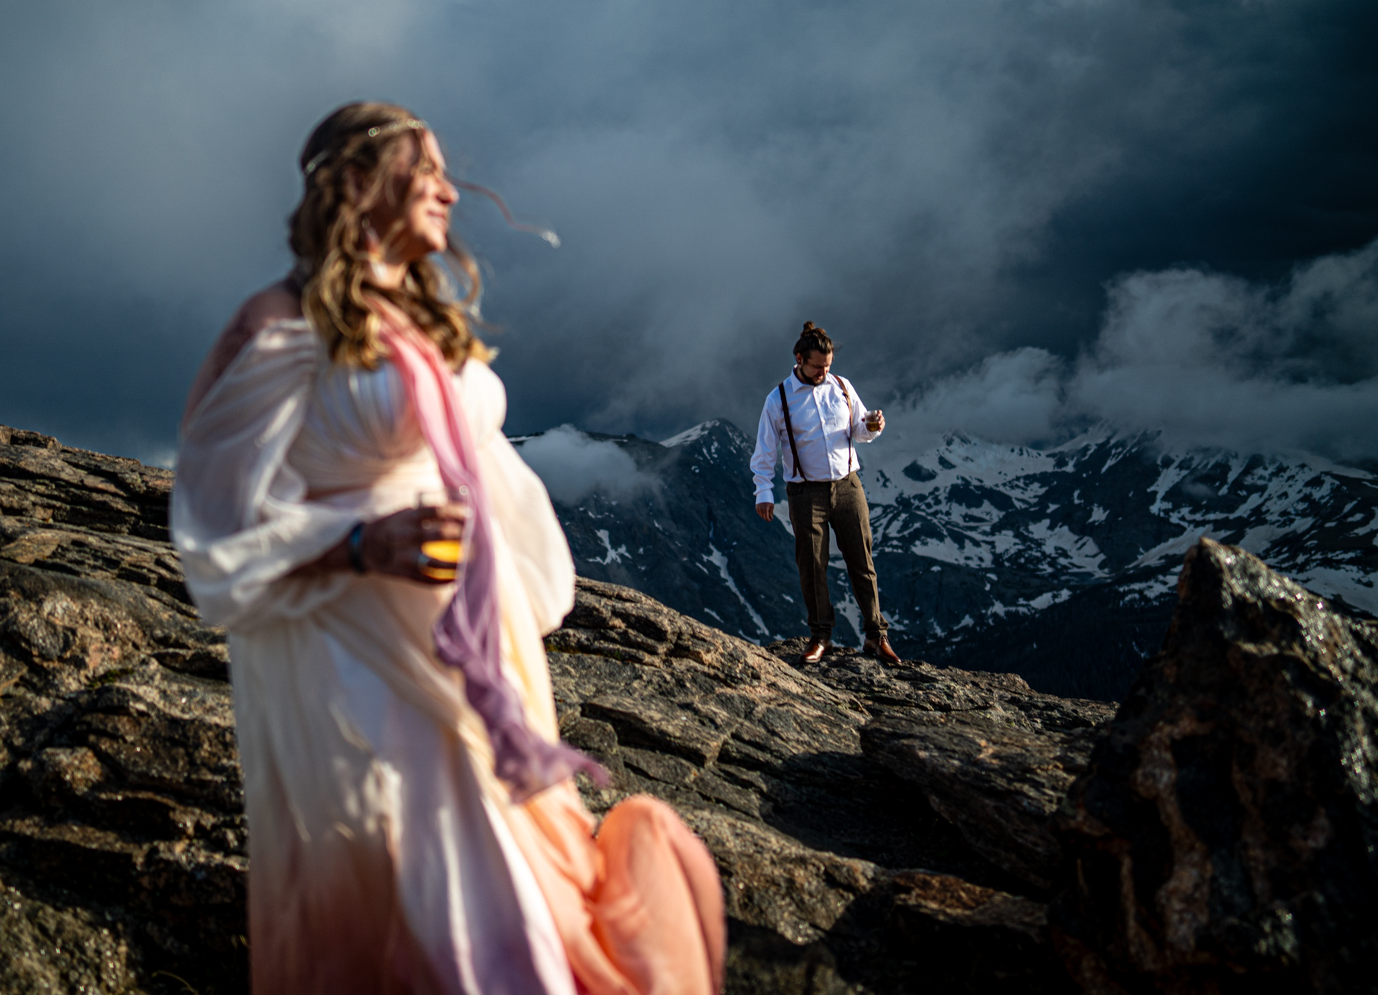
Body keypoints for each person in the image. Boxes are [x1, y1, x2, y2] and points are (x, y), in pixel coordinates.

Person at [172, 102, 726, 995]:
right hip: (358, 648)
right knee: (439, 885)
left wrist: (510, 586)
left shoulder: (421, 319)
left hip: (473, 643)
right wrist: (362, 539)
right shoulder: (280, 323)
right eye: (422, 167)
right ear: (357, 183)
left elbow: (485, 469)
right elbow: (217, 520)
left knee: (503, 866)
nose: (448, 186)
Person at [749, 322, 901, 668]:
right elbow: (764, 452)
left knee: (862, 561)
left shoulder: (843, 387)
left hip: (848, 486)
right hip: (805, 494)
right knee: (813, 566)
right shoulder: (778, 399)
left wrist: (873, 426)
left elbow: (858, 430)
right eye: (818, 367)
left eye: (828, 366)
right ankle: (821, 637)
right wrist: (763, 491)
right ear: (800, 359)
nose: (824, 373)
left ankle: (877, 636)